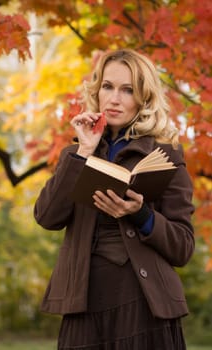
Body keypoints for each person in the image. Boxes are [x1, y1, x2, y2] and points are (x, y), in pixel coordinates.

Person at [34, 48, 195, 350]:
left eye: (128, 90)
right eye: (107, 86)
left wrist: (142, 215)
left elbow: (183, 247)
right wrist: (83, 152)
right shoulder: (75, 153)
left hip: (142, 302)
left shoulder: (165, 154)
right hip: (82, 302)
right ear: (96, 90)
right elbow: (46, 216)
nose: (114, 98)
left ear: (144, 97)